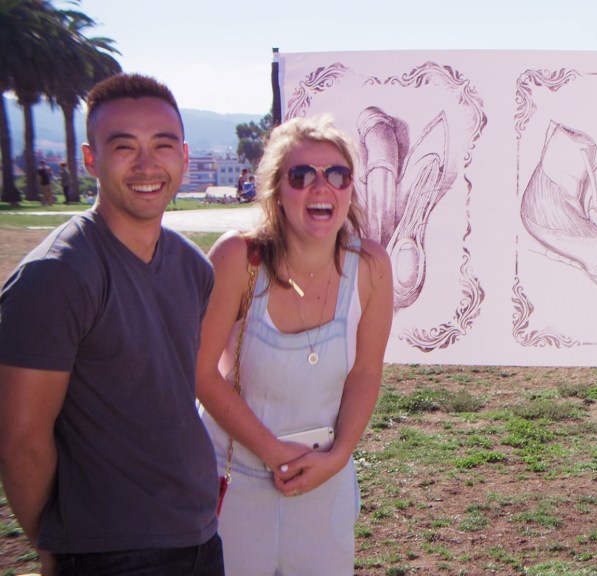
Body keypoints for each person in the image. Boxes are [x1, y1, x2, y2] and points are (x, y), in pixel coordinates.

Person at [0, 73, 224, 575]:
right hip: (107, 552)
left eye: (162, 145)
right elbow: (20, 441)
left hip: (199, 533)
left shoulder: (193, 267)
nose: (146, 165)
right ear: (90, 159)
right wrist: (55, 548)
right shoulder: (56, 275)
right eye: (124, 147)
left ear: (184, 156)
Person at [197, 114, 393, 575]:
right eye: (301, 175)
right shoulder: (238, 258)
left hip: (324, 485)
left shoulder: (372, 266)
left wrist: (338, 457)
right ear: (276, 190)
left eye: (337, 174)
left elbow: (366, 373)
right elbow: (201, 373)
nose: (321, 187)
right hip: (234, 483)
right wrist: (271, 451)